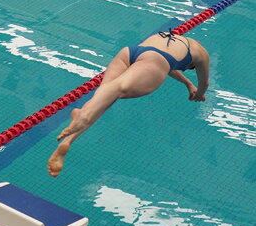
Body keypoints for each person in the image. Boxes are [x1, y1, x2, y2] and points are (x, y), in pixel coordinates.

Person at [48, 32, 211, 177]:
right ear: (192, 65)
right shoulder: (202, 55)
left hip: (130, 52)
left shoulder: (175, 39)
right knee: (118, 89)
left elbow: (168, 62)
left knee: (105, 95)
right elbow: (204, 84)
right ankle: (82, 115)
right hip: (155, 61)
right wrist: (199, 94)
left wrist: (187, 83)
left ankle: (67, 141)